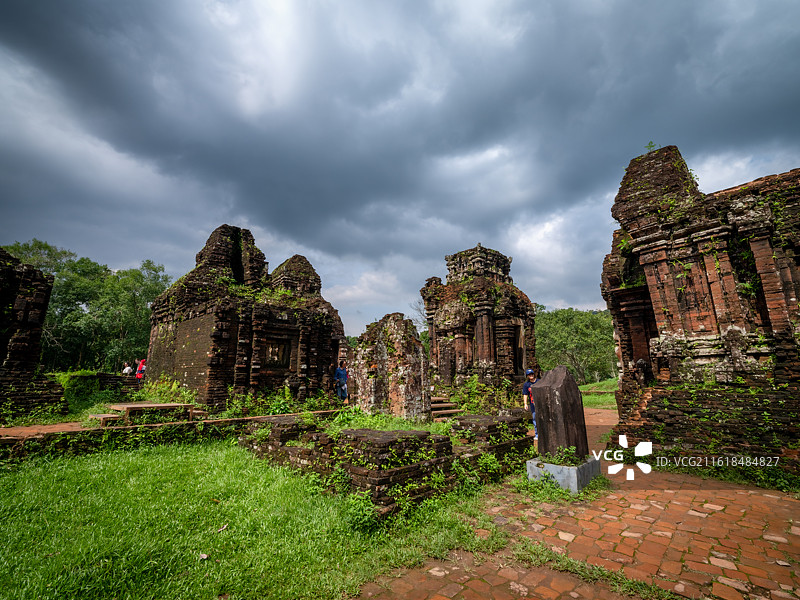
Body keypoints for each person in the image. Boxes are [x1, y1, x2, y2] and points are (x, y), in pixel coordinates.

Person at [522, 368, 539, 439]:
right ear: (527, 376)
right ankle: (537, 434)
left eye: (531, 374)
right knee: (535, 419)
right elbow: (525, 394)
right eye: (529, 375)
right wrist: (525, 404)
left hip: (541, 403)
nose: (531, 376)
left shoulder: (539, 381)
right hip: (533, 404)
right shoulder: (526, 385)